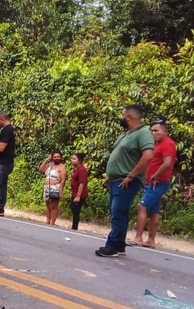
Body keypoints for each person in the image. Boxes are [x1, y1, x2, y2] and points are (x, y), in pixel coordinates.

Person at [95, 104, 154, 257]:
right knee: (117, 212)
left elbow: (147, 156)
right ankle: (120, 246)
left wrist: (131, 175)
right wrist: (109, 175)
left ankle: (112, 246)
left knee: (118, 212)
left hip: (127, 180)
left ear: (128, 117)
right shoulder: (126, 134)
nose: (120, 118)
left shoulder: (143, 133)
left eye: (122, 115)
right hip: (116, 179)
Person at [130, 119, 176, 249]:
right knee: (154, 211)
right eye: (152, 130)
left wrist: (155, 175)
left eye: (156, 130)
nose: (153, 132)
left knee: (141, 207)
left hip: (159, 182)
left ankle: (138, 237)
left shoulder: (168, 144)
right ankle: (151, 240)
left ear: (165, 131)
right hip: (151, 181)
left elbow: (167, 163)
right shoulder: (157, 144)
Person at [38, 150, 66, 225]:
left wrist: (60, 191)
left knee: (54, 206)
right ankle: (48, 220)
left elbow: (63, 180)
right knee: (48, 205)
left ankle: (52, 222)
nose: (56, 158)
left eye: (58, 157)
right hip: (47, 187)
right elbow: (41, 170)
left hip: (55, 188)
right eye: (55, 157)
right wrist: (47, 159)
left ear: (61, 158)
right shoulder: (50, 165)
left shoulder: (62, 167)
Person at [69, 153, 89, 230]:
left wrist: (78, 196)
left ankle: (74, 227)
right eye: (72, 158)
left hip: (80, 194)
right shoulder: (76, 168)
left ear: (79, 160)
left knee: (76, 210)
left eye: (74, 159)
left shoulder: (82, 170)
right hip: (75, 193)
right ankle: (74, 226)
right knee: (74, 209)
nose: (72, 160)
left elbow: (82, 183)